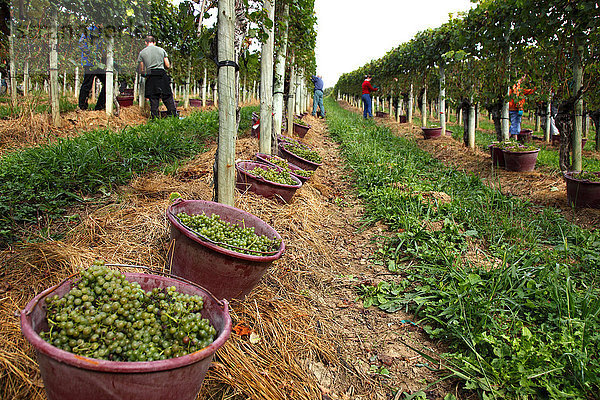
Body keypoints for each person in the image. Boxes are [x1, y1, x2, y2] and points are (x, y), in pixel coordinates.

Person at [137, 35, 177, 118]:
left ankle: (155, 117)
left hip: (151, 75)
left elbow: (141, 69)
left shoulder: (142, 53)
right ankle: (173, 115)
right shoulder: (161, 50)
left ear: (145, 42)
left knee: (153, 98)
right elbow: (167, 65)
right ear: (154, 42)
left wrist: (145, 73)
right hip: (161, 74)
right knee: (167, 96)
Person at [78, 25, 107, 111]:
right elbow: (81, 43)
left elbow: (103, 49)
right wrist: (91, 54)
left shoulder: (102, 34)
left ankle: (100, 106)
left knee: (107, 82)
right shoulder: (89, 30)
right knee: (87, 84)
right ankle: (82, 107)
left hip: (99, 64)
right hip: (89, 63)